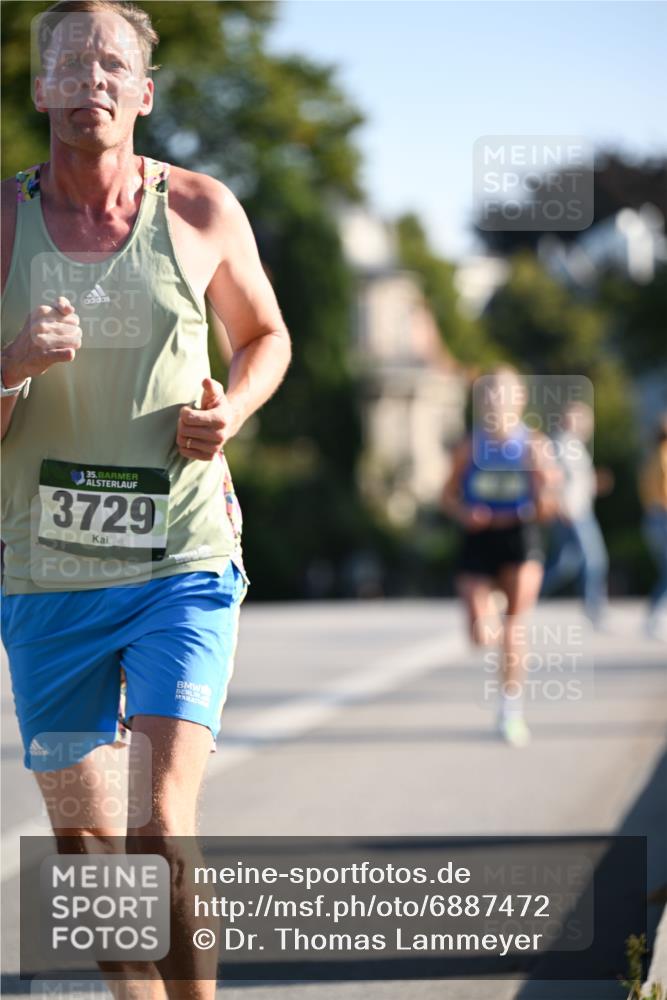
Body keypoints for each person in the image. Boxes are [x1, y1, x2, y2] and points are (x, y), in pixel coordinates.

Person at [0, 1, 291, 996]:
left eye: (112, 63)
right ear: (39, 89)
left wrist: (231, 413)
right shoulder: (3, 222)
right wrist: (11, 365)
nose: (93, 81)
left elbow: (266, 336)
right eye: (70, 65)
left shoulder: (202, 208)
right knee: (89, 859)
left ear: (146, 92)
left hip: (181, 558)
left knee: (161, 824)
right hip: (46, 575)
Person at [441, 366, 559, 748]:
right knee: (481, 633)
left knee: (513, 625)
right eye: (488, 394)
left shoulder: (532, 445)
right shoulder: (469, 447)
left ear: (518, 400)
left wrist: (540, 499)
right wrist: (464, 514)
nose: (494, 401)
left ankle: (510, 710)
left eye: (502, 394)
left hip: (519, 536)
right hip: (479, 536)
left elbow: (551, 503)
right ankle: (484, 610)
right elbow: (446, 497)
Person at [540, 400, 612, 628]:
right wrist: (562, 506)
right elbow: (555, 480)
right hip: (573, 513)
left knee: (565, 563)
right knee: (594, 559)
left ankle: (526, 594)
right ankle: (595, 610)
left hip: (580, 510)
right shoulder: (561, 444)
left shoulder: (574, 444)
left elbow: (578, 480)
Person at [639, 413, 667, 640]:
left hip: (653, 518)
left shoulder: (652, 456)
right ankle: (653, 617)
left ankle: (654, 616)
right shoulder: (663, 456)